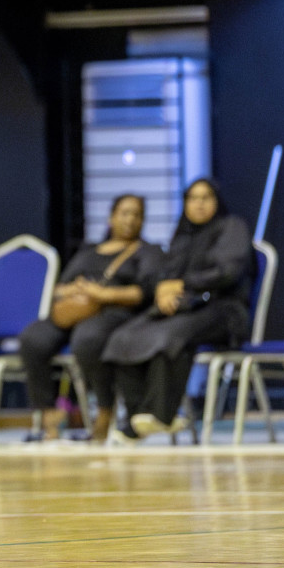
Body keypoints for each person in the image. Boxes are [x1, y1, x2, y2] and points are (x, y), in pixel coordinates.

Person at [102, 179, 253, 442]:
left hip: (224, 310)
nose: (200, 203)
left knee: (169, 335)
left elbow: (228, 272)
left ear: (216, 201)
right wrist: (163, 292)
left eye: (206, 197)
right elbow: (167, 274)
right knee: (122, 337)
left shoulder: (231, 227)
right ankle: (139, 416)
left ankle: (160, 413)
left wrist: (183, 284)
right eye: (193, 198)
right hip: (184, 309)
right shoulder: (182, 235)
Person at [16, 194, 162, 442]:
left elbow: (144, 293)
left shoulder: (147, 252)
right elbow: (59, 287)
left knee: (88, 338)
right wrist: (74, 291)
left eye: (137, 214)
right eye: (124, 213)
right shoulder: (89, 251)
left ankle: (104, 409)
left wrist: (104, 294)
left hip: (116, 314)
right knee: (33, 338)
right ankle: (48, 414)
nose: (130, 219)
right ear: (111, 217)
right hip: (76, 312)